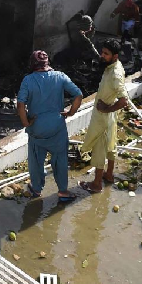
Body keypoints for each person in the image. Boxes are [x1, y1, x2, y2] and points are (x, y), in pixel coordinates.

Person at [16, 50, 83, 202]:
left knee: (36, 160)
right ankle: (63, 192)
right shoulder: (60, 76)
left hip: (36, 128)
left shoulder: (28, 80)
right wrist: (70, 112)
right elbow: (78, 95)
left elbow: (20, 105)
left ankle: (36, 188)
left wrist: (26, 123)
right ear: (47, 64)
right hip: (57, 127)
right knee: (60, 159)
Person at [79, 39, 127, 193]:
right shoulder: (114, 66)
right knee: (111, 144)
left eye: (106, 54)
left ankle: (96, 184)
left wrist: (106, 109)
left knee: (99, 150)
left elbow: (124, 101)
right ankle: (109, 175)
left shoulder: (115, 74)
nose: (102, 55)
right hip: (110, 116)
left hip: (104, 117)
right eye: (102, 52)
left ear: (115, 56)